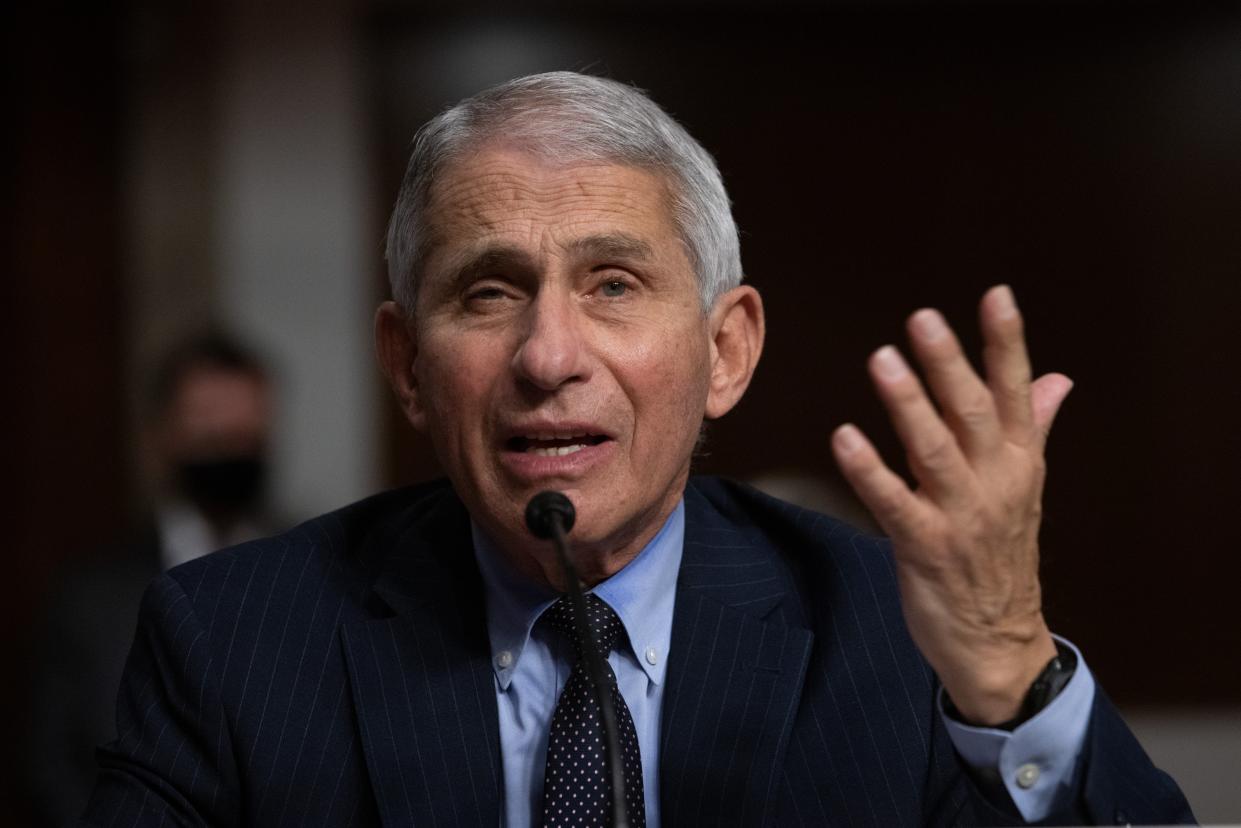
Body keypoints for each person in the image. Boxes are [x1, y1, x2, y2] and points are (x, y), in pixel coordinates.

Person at [82, 72, 1192, 826]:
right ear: (408, 365)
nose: (547, 354)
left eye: (612, 285)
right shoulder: (229, 643)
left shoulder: (895, 636)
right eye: (488, 291)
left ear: (725, 350)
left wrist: (1005, 672)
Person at [28, 333, 281, 827]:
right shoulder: (90, 597)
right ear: (161, 435)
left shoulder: (315, 568)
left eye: (245, 434)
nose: (229, 449)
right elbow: (51, 767)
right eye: (210, 431)